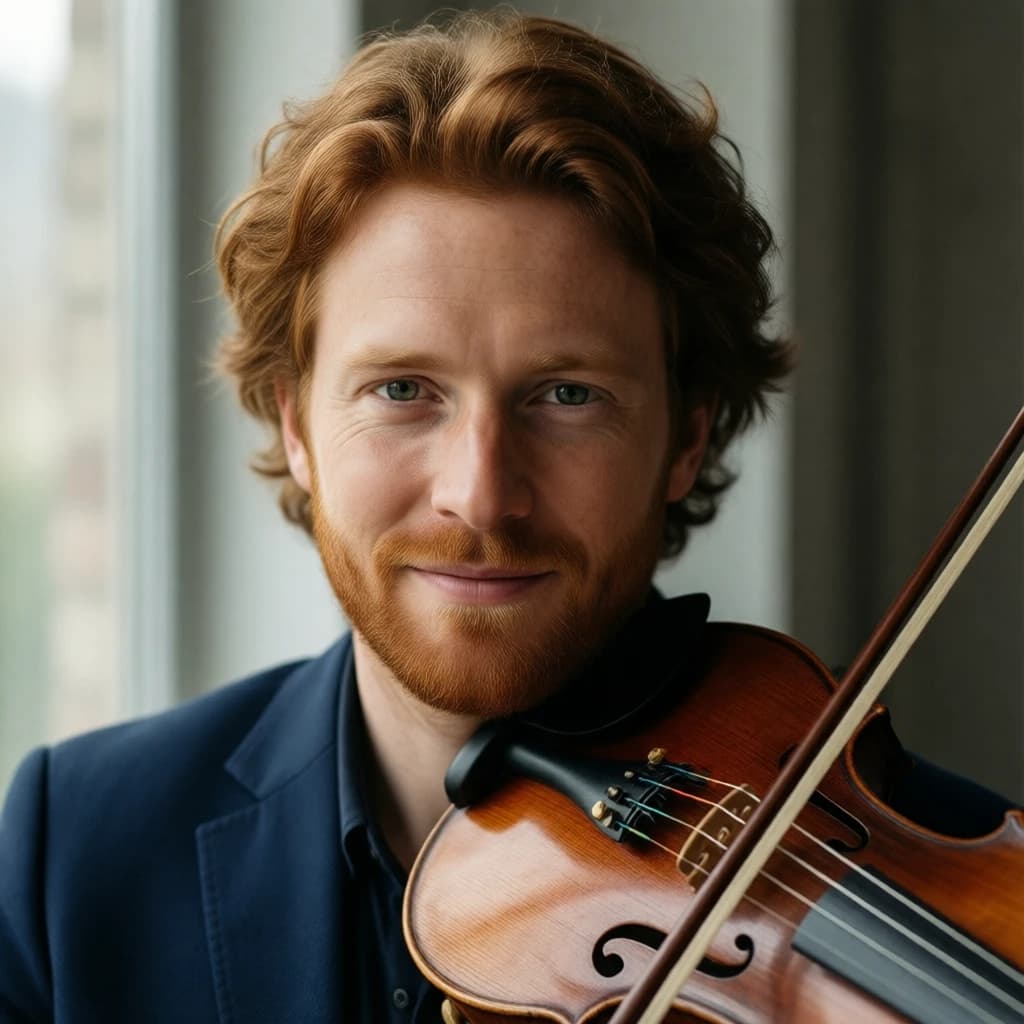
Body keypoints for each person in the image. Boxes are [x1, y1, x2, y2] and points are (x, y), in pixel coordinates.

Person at [0, 10, 1015, 1024]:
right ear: (297, 424)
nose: (481, 494)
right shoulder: (77, 854)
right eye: (402, 390)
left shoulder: (968, 894)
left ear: (685, 439)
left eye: (566, 395)